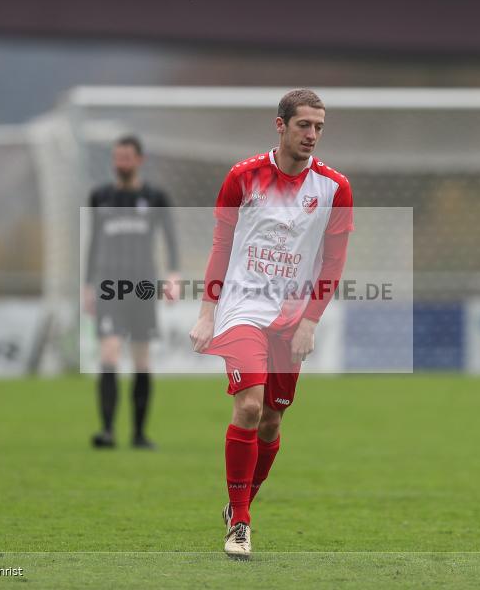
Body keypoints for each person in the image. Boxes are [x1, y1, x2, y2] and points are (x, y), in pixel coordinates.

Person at [190, 89, 354, 559]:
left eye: (319, 127)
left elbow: (334, 263)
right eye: (304, 125)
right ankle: (240, 523)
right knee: (248, 407)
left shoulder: (334, 188)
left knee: (273, 419)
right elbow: (221, 246)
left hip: (292, 318)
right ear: (280, 125)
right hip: (241, 308)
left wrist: (311, 322)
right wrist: (206, 313)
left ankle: (238, 505)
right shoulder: (243, 177)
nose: (312, 135)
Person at [83, 135, 180, 450]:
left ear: (140, 159)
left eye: (126, 157)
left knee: (141, 358)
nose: (120, 163)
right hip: (109, 286)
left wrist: (173, 275)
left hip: (142, 286)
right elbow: (94, 243)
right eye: (117, 157)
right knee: (109, 352)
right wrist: (87, 285)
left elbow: (170, 239)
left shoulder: (156, 197)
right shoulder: (100, 196)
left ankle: (139, 434)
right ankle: (107, 430)